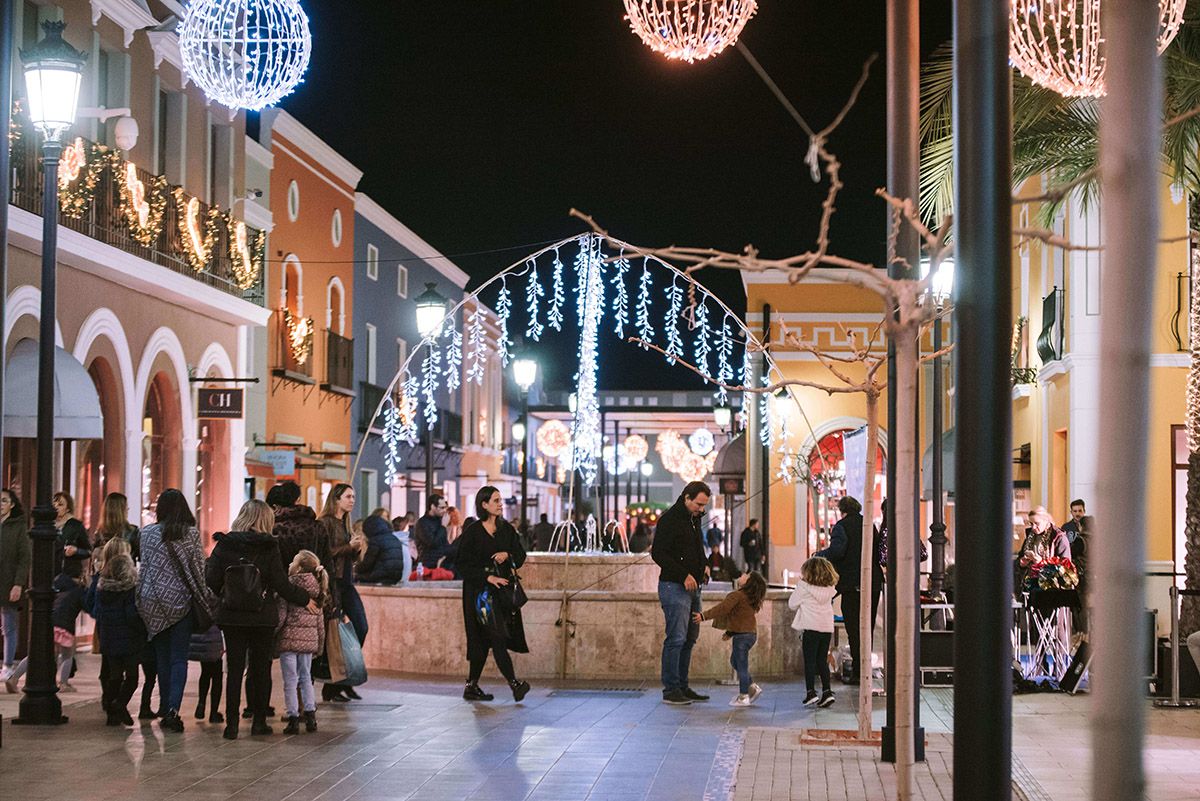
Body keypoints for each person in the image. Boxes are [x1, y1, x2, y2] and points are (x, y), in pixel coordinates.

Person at [206, 500, 316, 740]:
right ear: (265, 520)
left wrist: (227, 593)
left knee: (234, 670)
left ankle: (232, 725)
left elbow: (211, 577)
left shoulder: (225, 545)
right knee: (260, 669)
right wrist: (304, 598)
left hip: (232, 616)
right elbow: (280, 583)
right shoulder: (269, 547)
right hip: (262, 616)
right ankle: (258, 722)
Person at [136, 488, 215, 732]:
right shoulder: (190, 534)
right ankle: (173, 709)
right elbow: (198, 571)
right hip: (180, 602)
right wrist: (206, 597)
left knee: (162, 657)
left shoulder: (146, 534)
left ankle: (163, 705)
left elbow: (145, 566)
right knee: (178, 657)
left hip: (152, 602)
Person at [457, 485, 531, 703]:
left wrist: (507, 554)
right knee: (495, 636)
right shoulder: (473, 531)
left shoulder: (506, 529)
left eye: (501, 500)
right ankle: (515, 684)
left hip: (501, 595)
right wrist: (487, 577)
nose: (501, 504)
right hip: (480, 595)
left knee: (489, 637)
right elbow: (462, 564)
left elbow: (521, 555)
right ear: (484, 504)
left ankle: (472, 685)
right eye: (496, 500)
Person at [652, 481, 712, 705]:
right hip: (674, 586)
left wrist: (704, 566)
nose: (701, 509)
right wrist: (683, 575)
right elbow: (658, 554)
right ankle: (671, 689)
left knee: (689, 638)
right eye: (698, 504)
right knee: (676, 638)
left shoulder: (693, 520)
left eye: (704, 505)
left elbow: (697, 549)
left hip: (694, 587)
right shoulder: (670, 520)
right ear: (687, 498)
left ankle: (683, 686)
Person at [814, 496, 882, 685]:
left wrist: (819, 555)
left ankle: (859, 673)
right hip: (873, 582)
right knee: (866, 628)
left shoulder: (841, 526)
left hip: (853, 584)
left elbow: (838, 551)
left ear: (842, 510)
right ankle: (864, 669)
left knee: (853, 628)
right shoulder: (869, 525)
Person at [85, 541, 145, 726]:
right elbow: (131, 614)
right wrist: (141, 628)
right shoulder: (130, 586)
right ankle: (119, 705)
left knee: (114, 676)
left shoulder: (101, 582)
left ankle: (112, 713)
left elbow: (91, 605)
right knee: (132, 678)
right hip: (128, 637)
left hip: (108, 636)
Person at [320, 484, 367, 703]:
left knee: (361, 626)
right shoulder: (326, 523)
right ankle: (334, 684)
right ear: (336, 499)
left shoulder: (345, 523)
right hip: (334, 584)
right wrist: (349, 547)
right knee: (335, 635)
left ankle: (343, 681)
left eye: (354, 496)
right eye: (348, 496)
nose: (352, 500)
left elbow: (347, 557)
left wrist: (356, 550)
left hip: (347, 583)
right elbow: (325, 554)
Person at [694, 571, 767, 707]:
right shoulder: (749, 597)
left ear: (748, 582)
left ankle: (743, 696)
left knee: (741, 664)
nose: (743, 574)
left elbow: (722, 609)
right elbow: (740, 618)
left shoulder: (738, 595)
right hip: (749, 634)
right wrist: (730, 632)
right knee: (736, 662)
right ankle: (752, 687)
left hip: (743, 636)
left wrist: (703, 616)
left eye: (746, 575)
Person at [277, 549, 327, 734]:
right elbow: (320, 624)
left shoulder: (289, 587)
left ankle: (293, 718)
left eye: (293, 562)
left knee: (290, 680)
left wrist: (274, 635)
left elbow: (281, 616)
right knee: (306, 678)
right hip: (308, 645)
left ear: (297, 568)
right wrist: (319, 646)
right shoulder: (318, 588)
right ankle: (311, 716)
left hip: (289, 643)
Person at [789, 556, 839, 708]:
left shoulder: (803, 588)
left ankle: (811, 692)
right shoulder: (830, 589)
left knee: (810, 662)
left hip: (811, 628)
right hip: (826, 629)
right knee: (821, 661)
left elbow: (792, 604)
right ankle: (827, 692)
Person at [0, 489, 30, 692]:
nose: (1, 504)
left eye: (4, 500)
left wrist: (18, 583)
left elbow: (24, 558)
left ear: (11, 504)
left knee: (9, 624)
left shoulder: (18, 526)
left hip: (8, 581)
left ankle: (8, 666)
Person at [268, 481, 330, 572]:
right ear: (298, 499)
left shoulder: (273, 528)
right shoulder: (317, 526)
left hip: (281, 581)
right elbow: (327, 561)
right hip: (313, 581)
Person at [188, 621, 224, 723]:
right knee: (217, 676)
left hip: (199, 636)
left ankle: (201, 703)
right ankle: (214, 712)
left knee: (205, 672)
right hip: (213, 637)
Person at [357, 514, 407, 584]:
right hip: (395, 577)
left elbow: (367, 563)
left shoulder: (376, 540)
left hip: (380, 577)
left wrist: (356, 569)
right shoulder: (395, 538)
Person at [92, 492, 140, 563]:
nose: (128, 509)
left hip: (104, 572)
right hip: (125, 571)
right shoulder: (132, 531)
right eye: (126, 506)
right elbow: (140, 556)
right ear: (121, 510)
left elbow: (95, 557)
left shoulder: (99, 533)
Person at [53, 492, 90, 580]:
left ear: (67, 509)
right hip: (50, 573)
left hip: (69, 574)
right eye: (54, 504)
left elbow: (88, 550)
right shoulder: (48, 525)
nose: (56, 507)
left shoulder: (76, 525)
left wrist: (76, 551)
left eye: (60, 505)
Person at [414, 494, 455, 571]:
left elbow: (444, 543)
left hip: (442, 563)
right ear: (433, 507)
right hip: (429, 564)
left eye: (445, 507)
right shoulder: (422, 523)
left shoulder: (439, 520)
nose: (444, 510)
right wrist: (443, 527)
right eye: (442, 508)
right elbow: (432, 543)